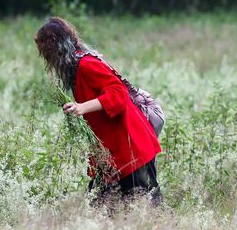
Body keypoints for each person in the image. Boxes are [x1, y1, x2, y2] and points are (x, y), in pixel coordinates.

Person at [34, 17, 162, 205]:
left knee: (149, 209)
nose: (44, 55)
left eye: (44, 49)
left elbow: (119, 95)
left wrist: (81, 107)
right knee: (100, 209)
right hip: (111, 155)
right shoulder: (76, 68)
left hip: (130, 149)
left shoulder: (86, 64)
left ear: (55, 44)